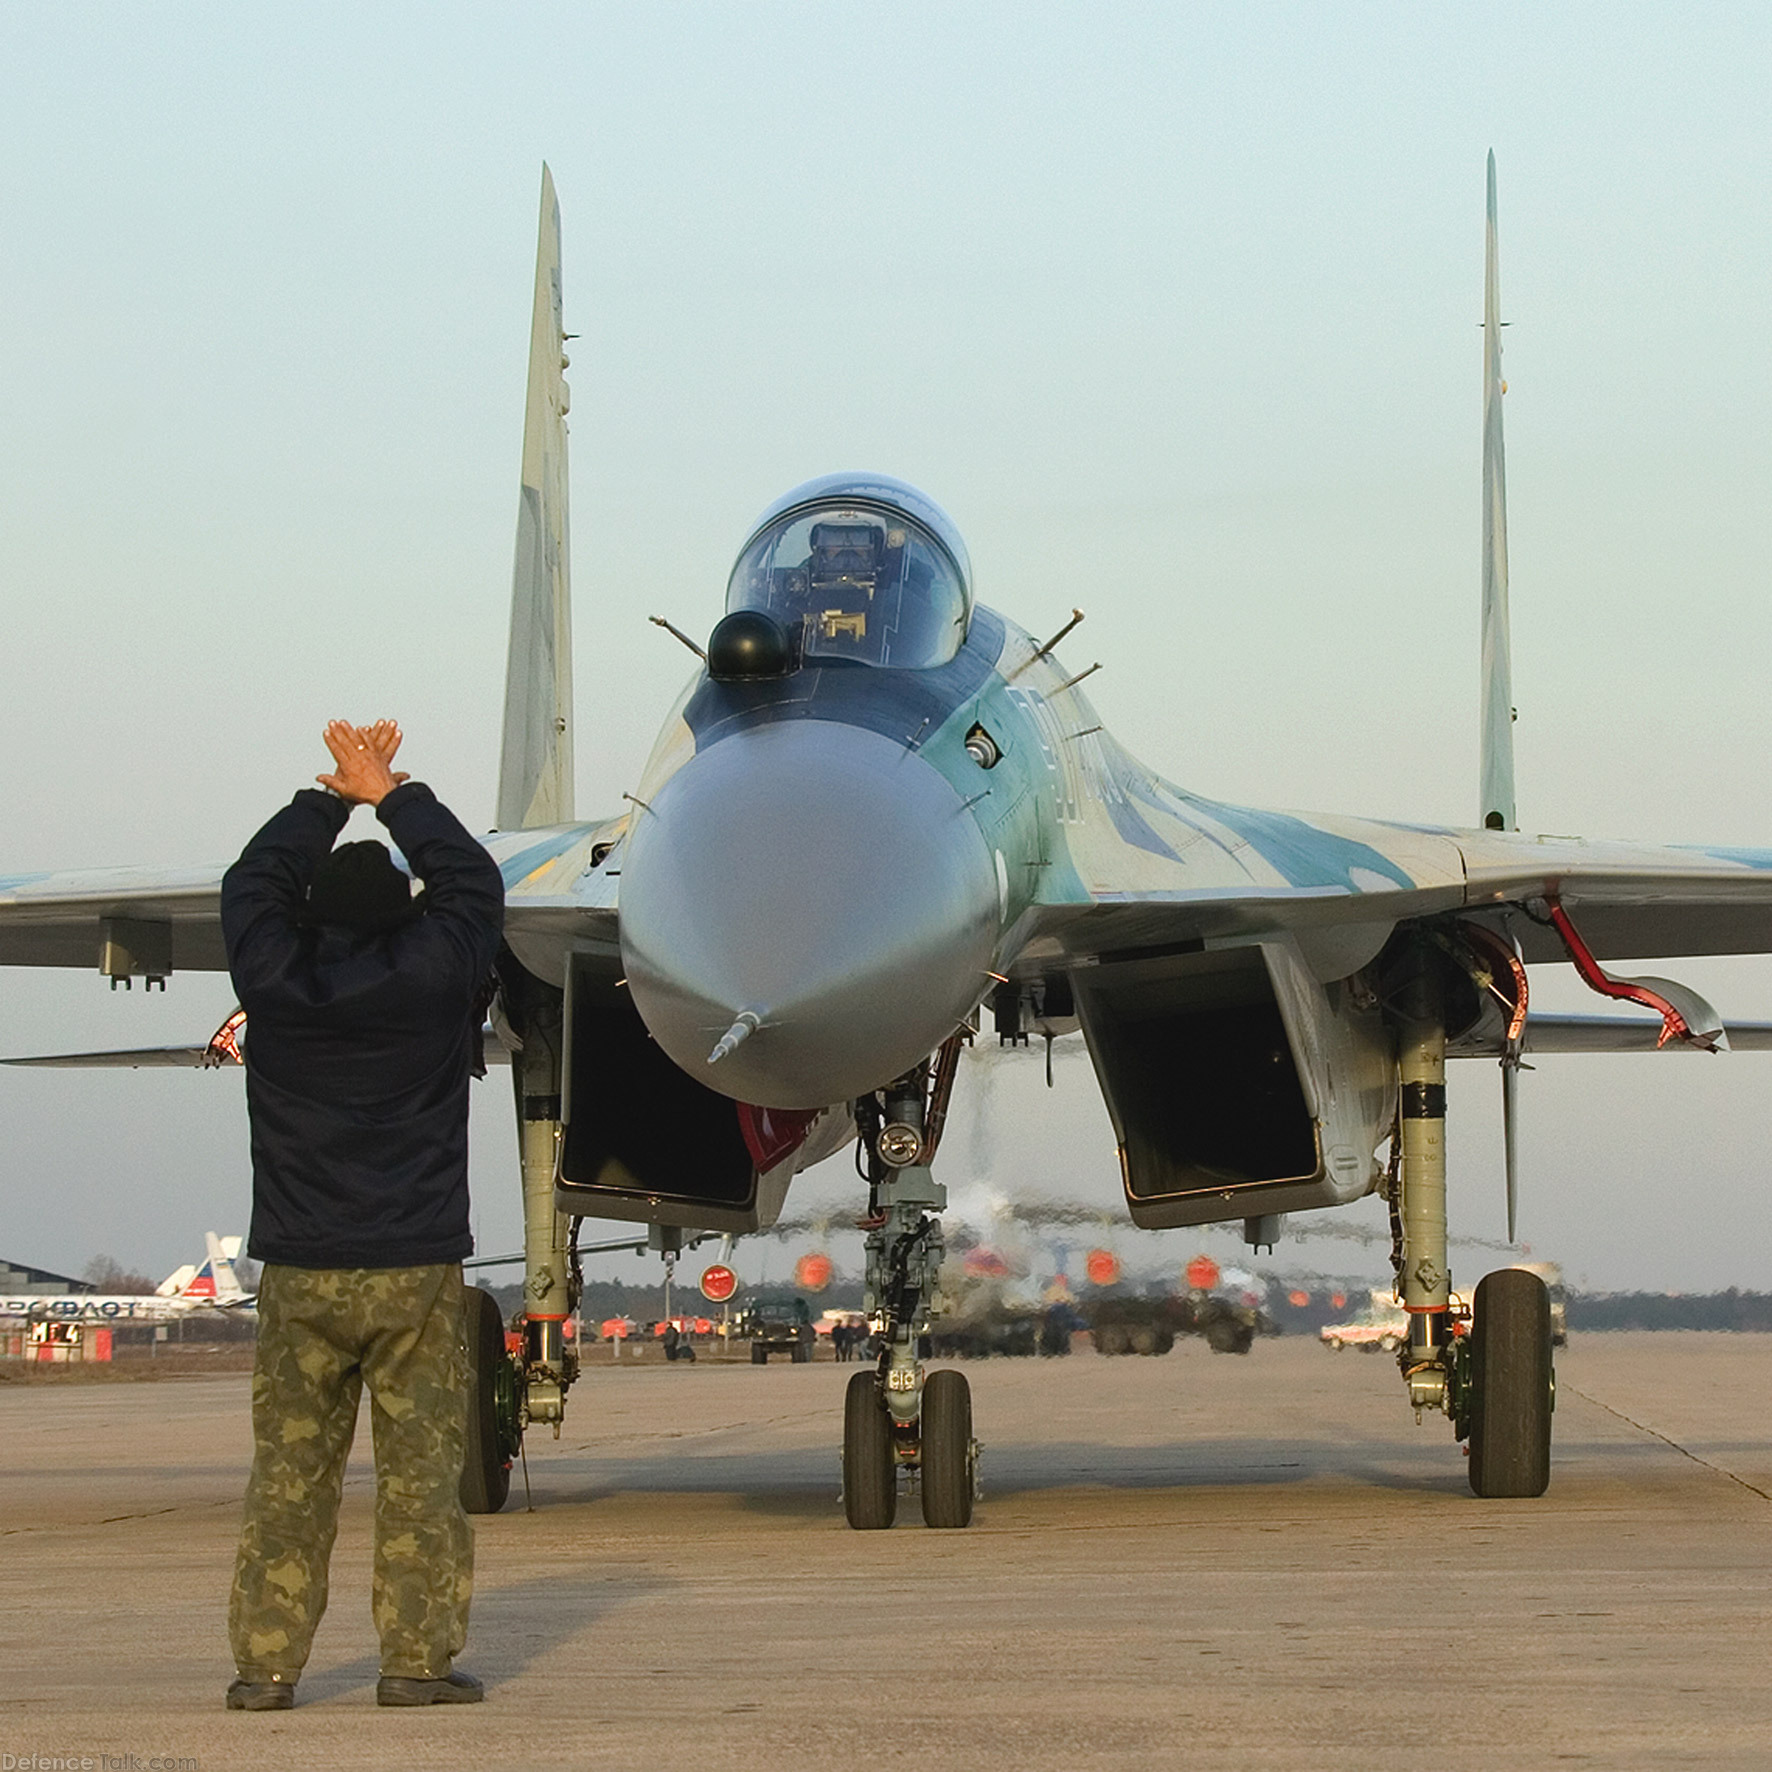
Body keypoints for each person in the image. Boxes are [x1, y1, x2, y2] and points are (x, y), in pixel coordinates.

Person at [220, 719, 505, 1711]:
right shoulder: (435, 976)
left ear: (304, 917)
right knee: (419, 1477)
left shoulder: (273, 979)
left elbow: (248, 885)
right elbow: (472, 883)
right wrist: (395, 794)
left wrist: (328, 797)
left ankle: (264, 1668)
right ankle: (415, 1662)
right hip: (414, 1269)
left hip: (300, 1270)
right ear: (404, 917)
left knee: (287, 1480)